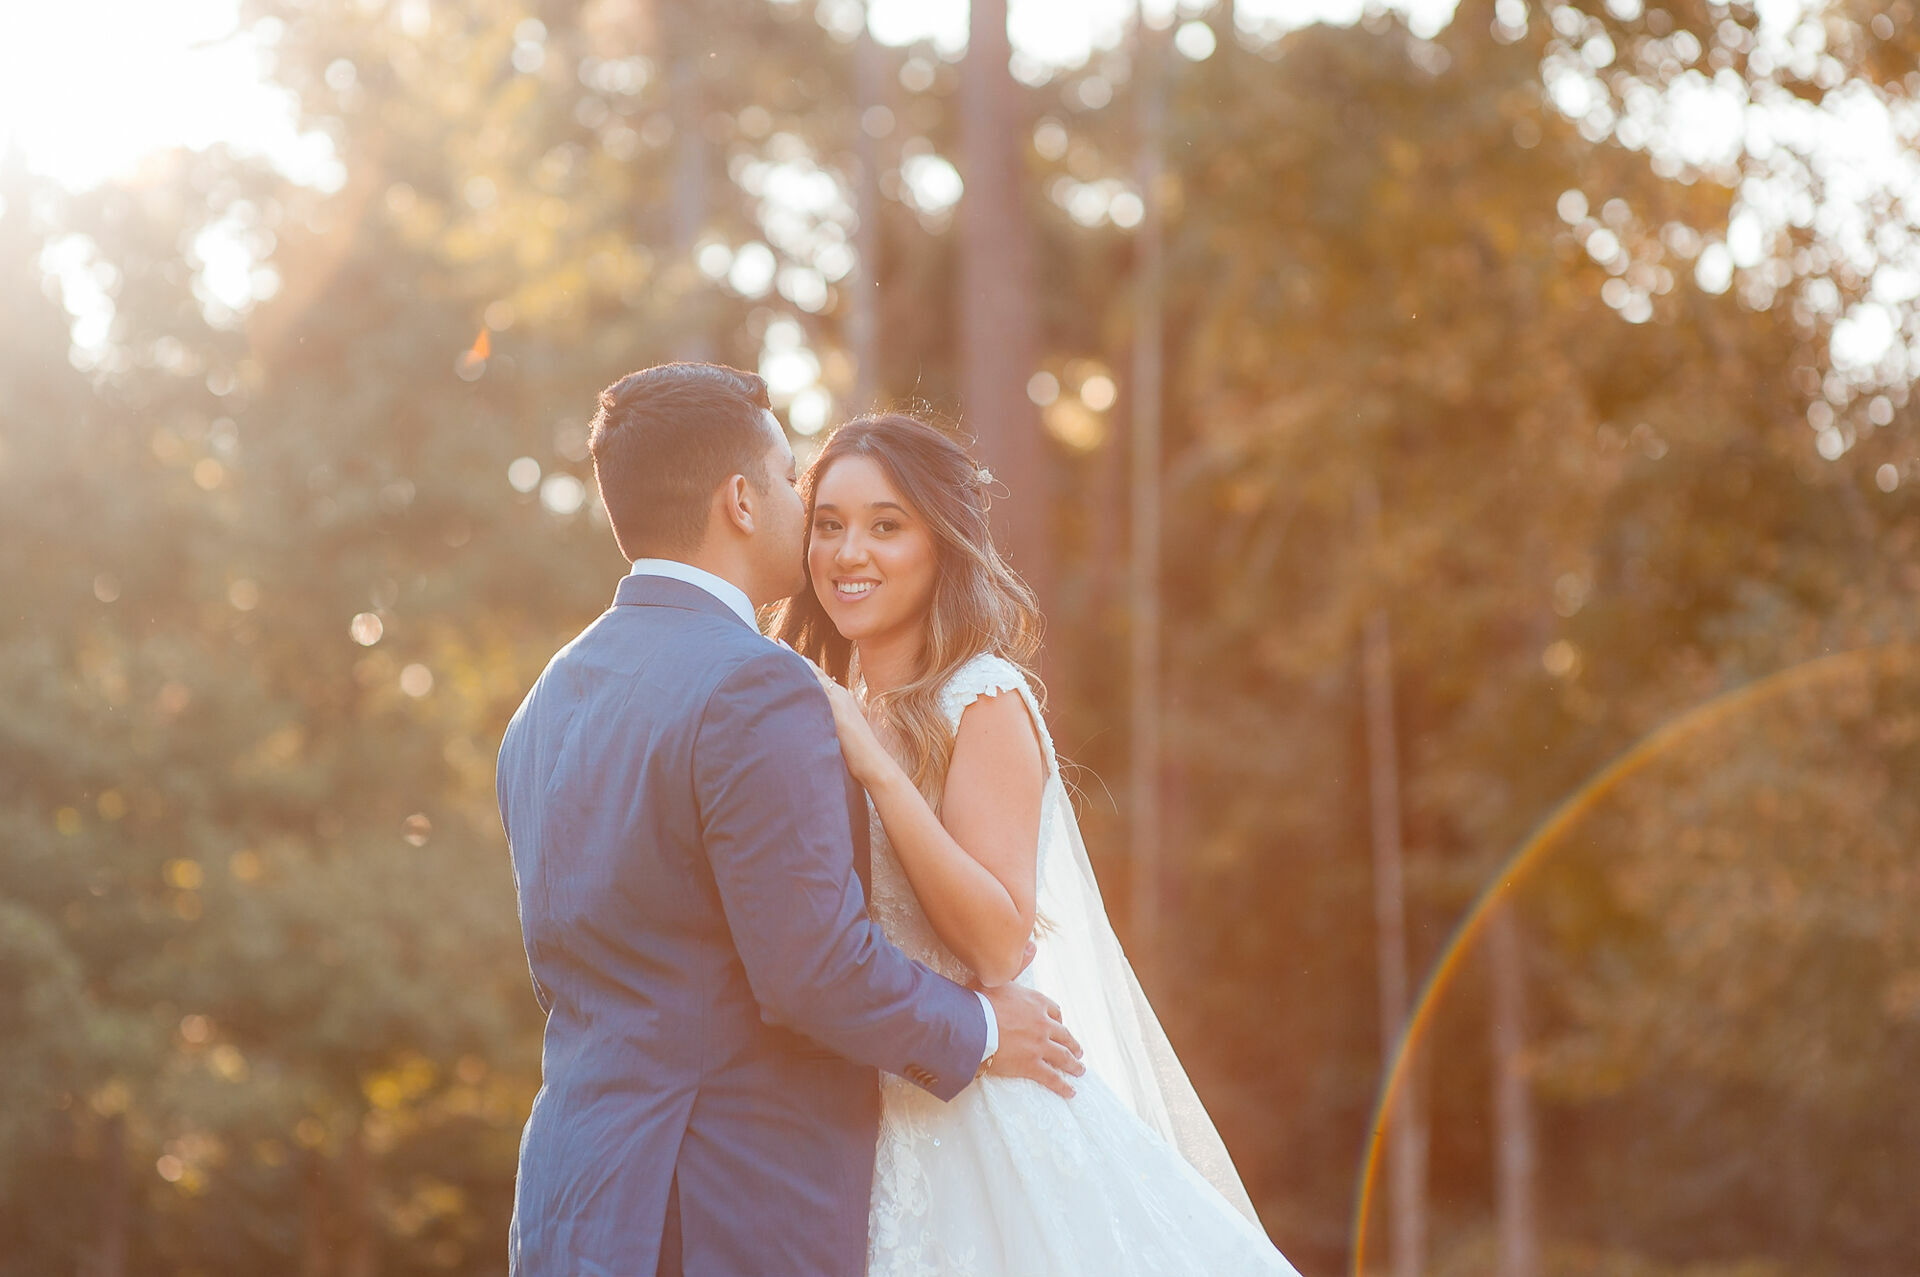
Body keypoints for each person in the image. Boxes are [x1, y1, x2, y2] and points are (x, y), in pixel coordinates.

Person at [495, 364, 1084, 1277]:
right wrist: (984, 1029)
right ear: (739, 499)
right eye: (784, 483)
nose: (795, 508)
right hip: (722, 1207)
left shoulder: (546, 703)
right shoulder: (753, 682)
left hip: (574, 1204)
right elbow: (812, 966)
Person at [770, 412, 1301, 1276]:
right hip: (856, 1128)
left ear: (941, 544)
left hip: (979, 1124)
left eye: (886, 525)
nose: (848, 552)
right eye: (828, 524)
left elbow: (998, 939)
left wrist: (876, 768)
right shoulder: (822, 706)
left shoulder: (981, 700)